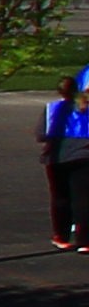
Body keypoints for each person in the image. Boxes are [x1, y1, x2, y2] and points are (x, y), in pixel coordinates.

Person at [50, 64, 89, 252]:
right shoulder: (85, 109)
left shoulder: (53, 108)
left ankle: (61, 235)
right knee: (82, 199)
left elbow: (42, 133)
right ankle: (84, 239)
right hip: (82, 154)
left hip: (56, 156)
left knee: (60, 197)